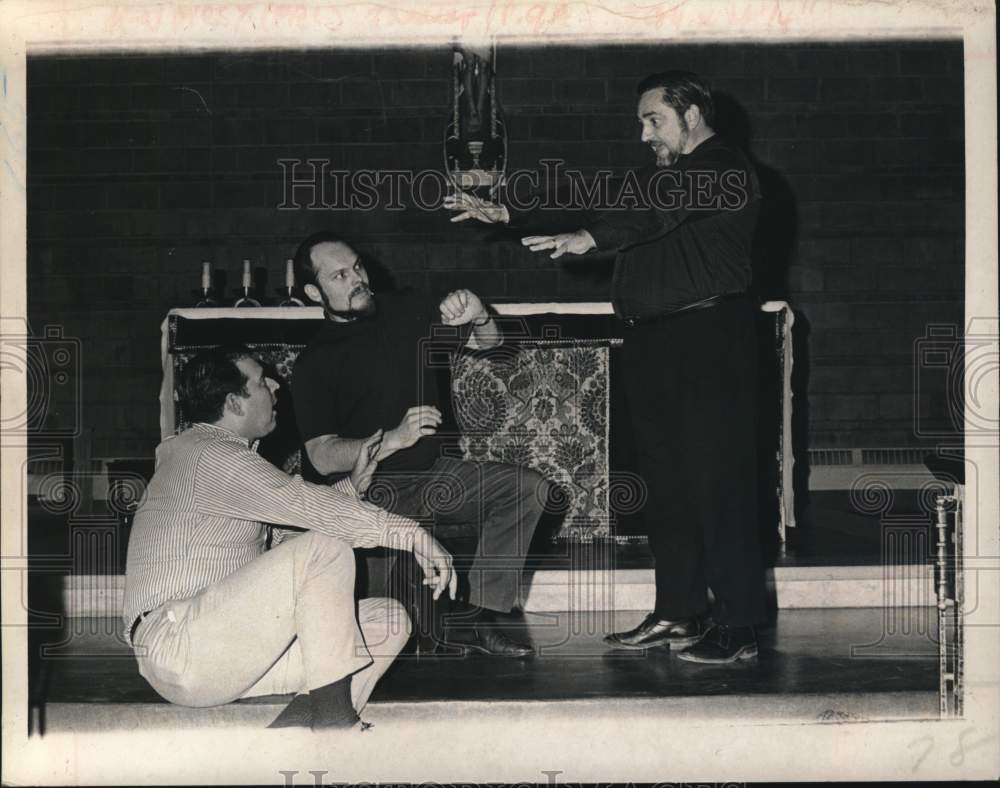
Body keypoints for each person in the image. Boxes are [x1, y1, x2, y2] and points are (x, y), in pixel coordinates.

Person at [444, 70, 767, 664]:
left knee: (719, 484)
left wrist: (591, 238)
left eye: (654, 119)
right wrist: (508, 213)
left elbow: (645, 218)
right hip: (654, 341)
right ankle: (679, 610)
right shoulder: (659, 177)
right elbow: (600, 201)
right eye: (641, 121)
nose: (643, 133)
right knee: (667, 487)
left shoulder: (724, 166)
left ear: (692, 114)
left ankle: (741, 623)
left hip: (708, 336)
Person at [123, 345, 456, 731]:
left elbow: (286, 538)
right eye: (262, 381)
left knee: (389, 621)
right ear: (234, 403)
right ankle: (335, 721)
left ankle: (297, 730)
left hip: (221, 650)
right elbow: (306, 513)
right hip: (182, 645)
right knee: (325, 550)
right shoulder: (208, 455)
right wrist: (411, 534)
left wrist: (351, 486)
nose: (276, 386)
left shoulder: (214, 456)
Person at [290, 232, 551, 658]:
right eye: (339, 275)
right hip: (368, 493)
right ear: (313, 292)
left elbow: (494, 349)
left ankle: (484, 617)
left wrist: (481, 314)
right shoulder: (315, 361)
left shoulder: (407, 311)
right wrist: (389, 440)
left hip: (433, 477)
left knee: (527, 489)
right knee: (382, 633)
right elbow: (320, 455)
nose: (357, 278)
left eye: (357, 266)